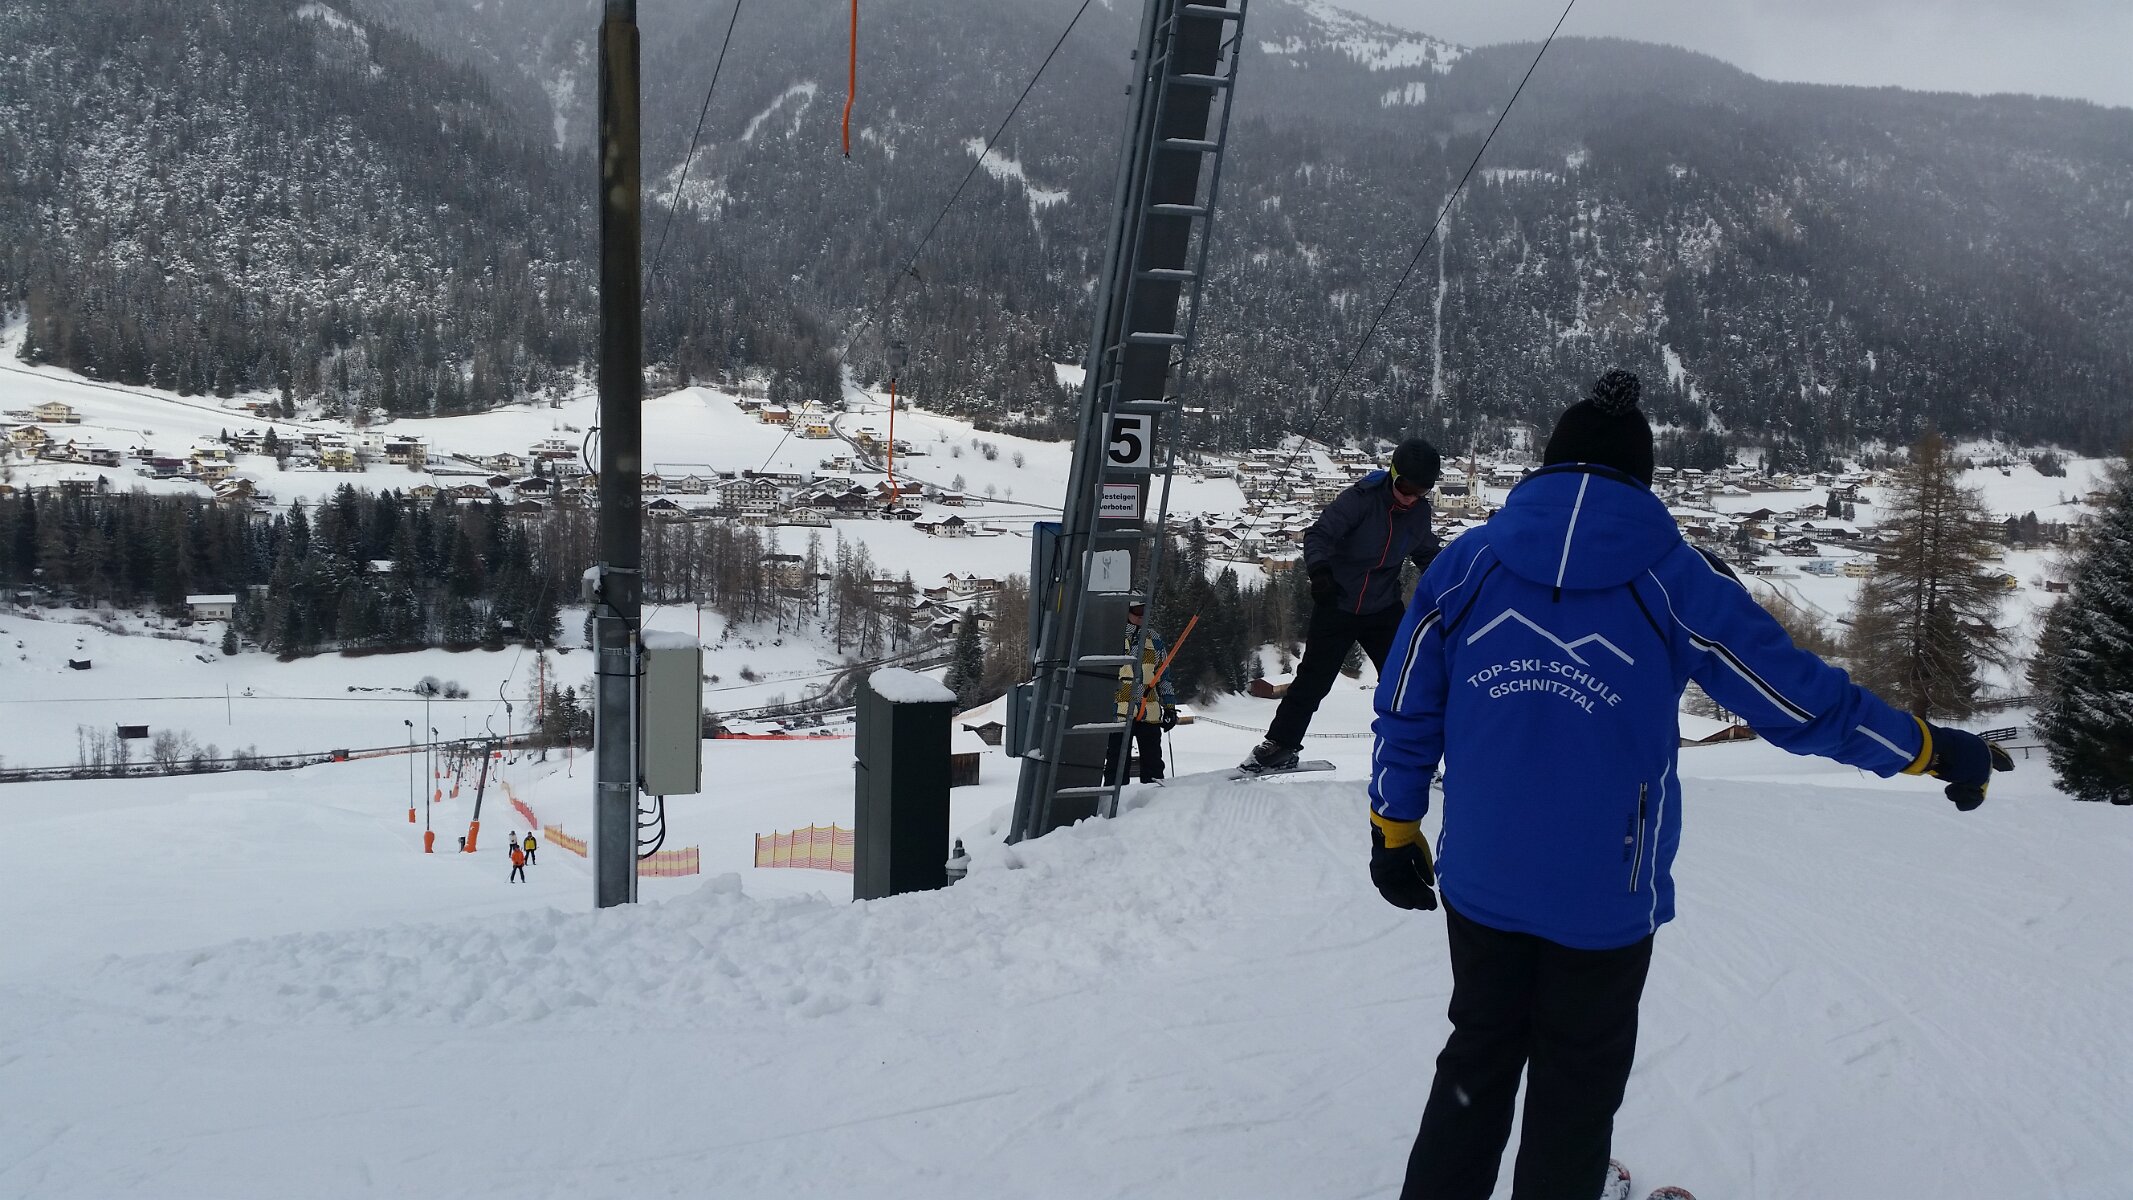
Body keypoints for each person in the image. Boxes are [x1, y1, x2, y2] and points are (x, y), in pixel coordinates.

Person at [1365, 369, 2014, 1200]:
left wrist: (1393, 827)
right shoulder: (1678, 581)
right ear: (1641, 483)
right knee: (1575, 1082)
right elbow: (1802, 704)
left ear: (1547, 465)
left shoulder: (1465, 566)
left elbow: (1405, 708)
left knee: (1476, 1057)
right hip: (1604, 891)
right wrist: (1928, 749)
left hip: (1482, 876)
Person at [1241, 437, 1442, 772]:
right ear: (1393, 475)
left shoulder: (1419, 513)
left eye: (1420, 490)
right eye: (1405, 487)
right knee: (1313, 680)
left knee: (1405, 682)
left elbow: (1427, 555)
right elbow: (1318, 535)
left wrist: (1454, 584)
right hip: (1338, 601)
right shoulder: (1360, 500)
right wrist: (1320, 572)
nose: (1410, 497)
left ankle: (1414, 756)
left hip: (1383, 607)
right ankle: (1281, 746)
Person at [1108, 601, 1180, 784]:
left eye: (1145, 610)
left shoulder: (1153, 638)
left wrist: (1170, 707)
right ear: (1126, 611)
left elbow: (1164, 676)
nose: (1141, 615)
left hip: (1148, 711)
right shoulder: (1114, 635)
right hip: (1119, 712)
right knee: (1116, 765)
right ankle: (1115, 798)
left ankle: (1153, 798)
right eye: (1137, 611)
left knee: (1153, 765)